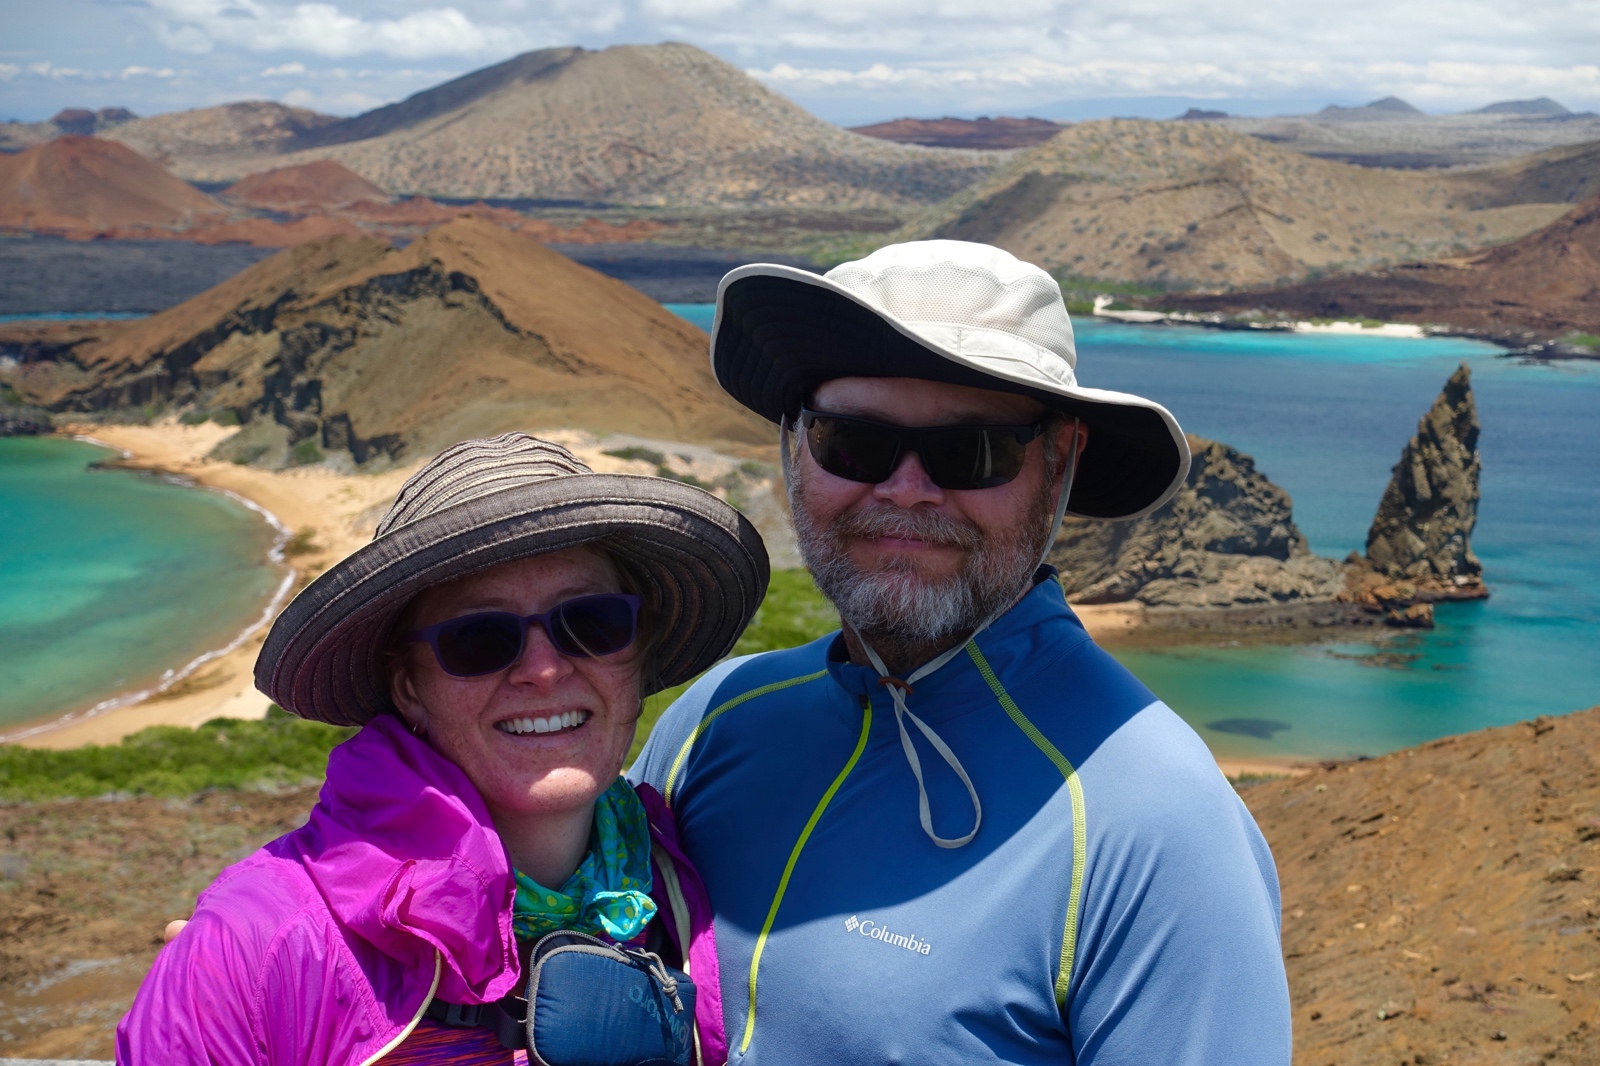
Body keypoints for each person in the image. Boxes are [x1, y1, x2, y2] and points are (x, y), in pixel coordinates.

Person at [631, 241, 1292, 1063]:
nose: (907, 489)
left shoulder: (1156, 826)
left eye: (972, 451)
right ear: (795, 446)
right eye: (853, 441)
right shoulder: (714, 720)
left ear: (1060, 464)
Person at [118, 433, 769, 1066]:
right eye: (480, 638)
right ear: (409, 686)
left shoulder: (689, 894)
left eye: (592, 623)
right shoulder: (255, 950)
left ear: (637, 652)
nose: (544, 670)